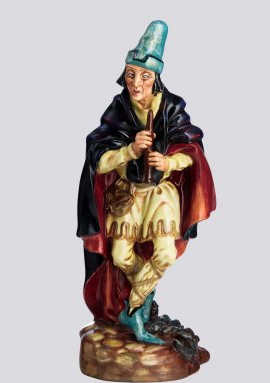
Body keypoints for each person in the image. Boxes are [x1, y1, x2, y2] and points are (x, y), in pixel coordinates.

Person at [77, 20, 216, 345]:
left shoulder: (171, 107)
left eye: (144, 76)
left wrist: (168, 162)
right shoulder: (119, 109)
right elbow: (97, 153)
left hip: (159, 195)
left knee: (164, 254)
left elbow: (193, 148)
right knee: (121, 256)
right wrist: (129, 150)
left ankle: (133, 308)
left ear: (156, 78)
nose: (136, 84)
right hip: (127, 195)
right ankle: (140, 303)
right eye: (130, 75)